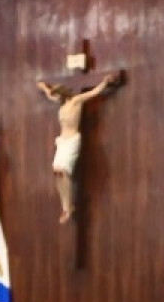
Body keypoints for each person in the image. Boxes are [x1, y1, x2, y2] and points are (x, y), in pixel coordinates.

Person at [36, 71, 123, 222]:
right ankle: (65, 205)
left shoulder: (76, 101)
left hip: (72, 141)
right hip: (62, 141)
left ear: (64, 94)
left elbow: (94, 93)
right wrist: (43, 86)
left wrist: (105, 82)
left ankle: (68, 206)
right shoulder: (61, 104)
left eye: (58, 95)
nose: (56, 98)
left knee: (63, 170)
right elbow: (49, 93)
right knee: (56, 171)